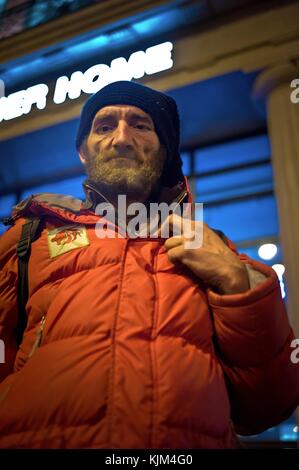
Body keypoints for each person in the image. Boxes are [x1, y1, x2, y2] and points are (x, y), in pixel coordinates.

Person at [0, 80, 298, 449]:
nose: (122, 138)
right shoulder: (27, 241)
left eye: (141, 125)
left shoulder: (211, 248)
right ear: (83, 151)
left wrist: (239, 284)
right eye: (104, 126)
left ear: (164, 150)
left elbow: (268, 405)